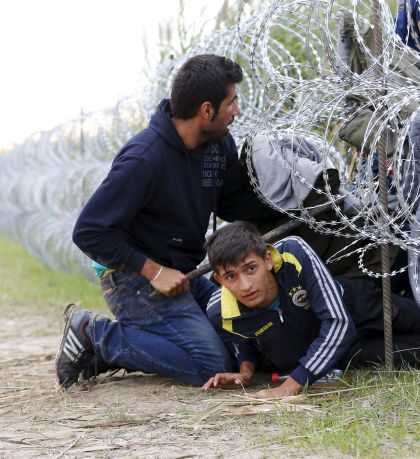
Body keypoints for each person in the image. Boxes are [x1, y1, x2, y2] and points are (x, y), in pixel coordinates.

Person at [55, 54, 276, 389]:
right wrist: (154, 272)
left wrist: (293, 206)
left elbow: (232, 203)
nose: (237, 111)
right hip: (131, 278)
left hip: (184, 273)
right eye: (231, 102)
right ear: (206, 110)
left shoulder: (218, 146)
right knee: (210, 364)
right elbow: (88, 231)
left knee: (239, 344)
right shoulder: (145, 158)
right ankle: (96, 336)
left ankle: (139, 339)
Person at [202, 221, 420, 397]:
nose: (245, 285)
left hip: (361, 309)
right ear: (219, 280)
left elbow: (339, 322)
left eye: (251, 268)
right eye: (231, 276)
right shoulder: (219, 311)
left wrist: (291, 385)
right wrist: (245, 370)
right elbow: (243, 340)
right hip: (344, 352)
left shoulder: (292, 253)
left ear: (266, 260)